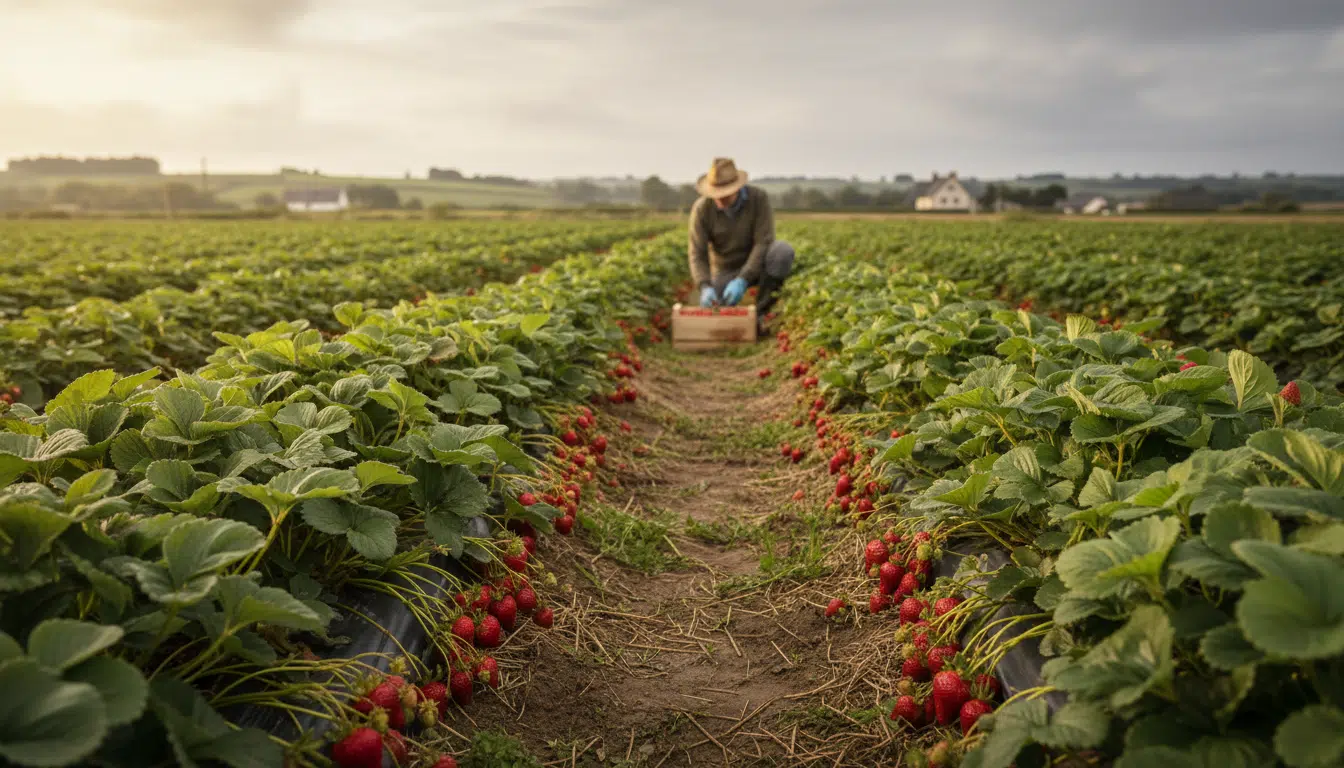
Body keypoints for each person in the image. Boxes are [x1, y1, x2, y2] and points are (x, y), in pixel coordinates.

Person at [687, 157, 795, 336]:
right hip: (726, 268)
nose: (720, 199)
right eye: (716, 194)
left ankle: (761, 314)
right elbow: (697, 253)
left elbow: (763, 242)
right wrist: (705, 285)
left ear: (737, 188)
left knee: (781, 252)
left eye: (725, 194)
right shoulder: (702, 209)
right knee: (716, 307)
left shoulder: (758, 199)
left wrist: (743, 279)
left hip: (759, 263)